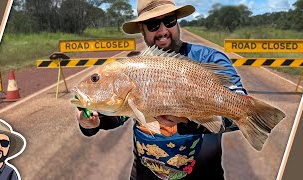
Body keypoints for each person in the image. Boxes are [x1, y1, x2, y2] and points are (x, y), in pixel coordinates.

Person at [75, 0, 247, 179]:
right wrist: (92, 121)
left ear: (177, 22)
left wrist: (188, 121)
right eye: (153, 24)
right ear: (142, 29)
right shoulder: (135, 67)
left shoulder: (209, 59)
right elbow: (119, 114)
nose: (163, 30)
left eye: (170, 21)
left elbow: (242, 109)